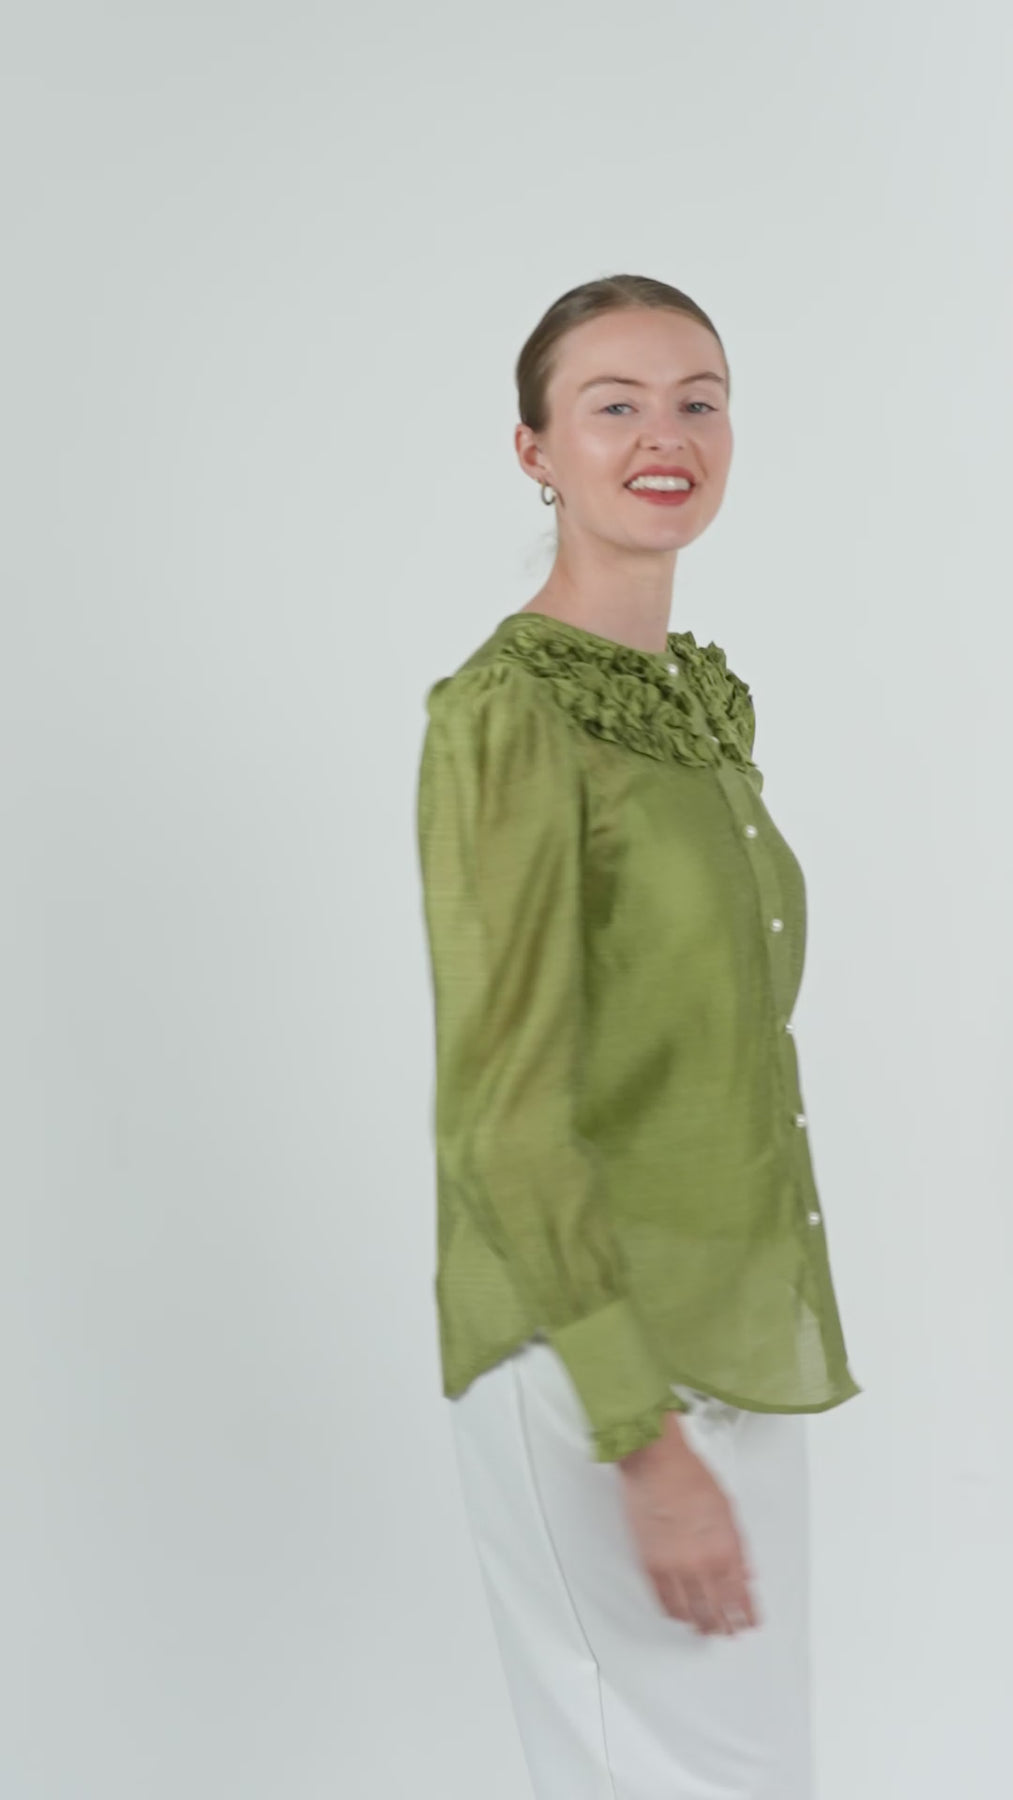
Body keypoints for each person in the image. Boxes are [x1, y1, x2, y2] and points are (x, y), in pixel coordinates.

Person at [414, 273, 862, 1800]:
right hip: (593, 1354)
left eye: (696, 401)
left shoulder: (692, 708)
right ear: (534, 449)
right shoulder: (508, 717)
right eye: (613, 405)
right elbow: (497, 1113)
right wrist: (639, 1435)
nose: (664, 435)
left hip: (729, 1333)